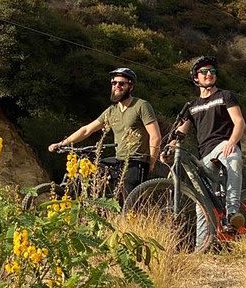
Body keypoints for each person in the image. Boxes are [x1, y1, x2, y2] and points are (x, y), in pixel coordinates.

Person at [48, 67, 161, 195]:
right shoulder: (112, 111)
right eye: (114, 83)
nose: (117, 86)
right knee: (91, 169)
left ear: (131, 87)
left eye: (121, 83)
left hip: (136, 161)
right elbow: (87, 130)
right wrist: (62, 143)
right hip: (119, 160)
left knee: (129, 203)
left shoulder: (141, 106)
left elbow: (155, 136)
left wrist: (151, 163)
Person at [174, 56, 246, 239]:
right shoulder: (192, 106)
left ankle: (232, 213)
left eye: (212, 72)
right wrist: (170, 146)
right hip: (204, 155)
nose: (209, 75)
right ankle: (202, 247)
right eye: (204, 72)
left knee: (234, 160)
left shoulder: (225, 96)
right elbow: (180, 133)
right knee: (201, 202)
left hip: (224, 145)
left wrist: (232, 142)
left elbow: (239, 123)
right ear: (196, 78)